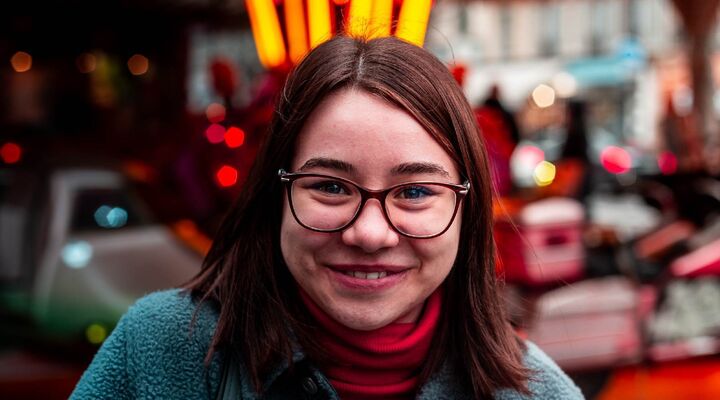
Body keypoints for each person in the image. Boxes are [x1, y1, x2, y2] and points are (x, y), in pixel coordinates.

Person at [71, 36, 583, 399]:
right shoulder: (162, 350)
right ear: (276, 194)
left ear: (466, 211)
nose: (369, 233)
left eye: (416, 192)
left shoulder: (538, 393)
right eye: (331, 187)